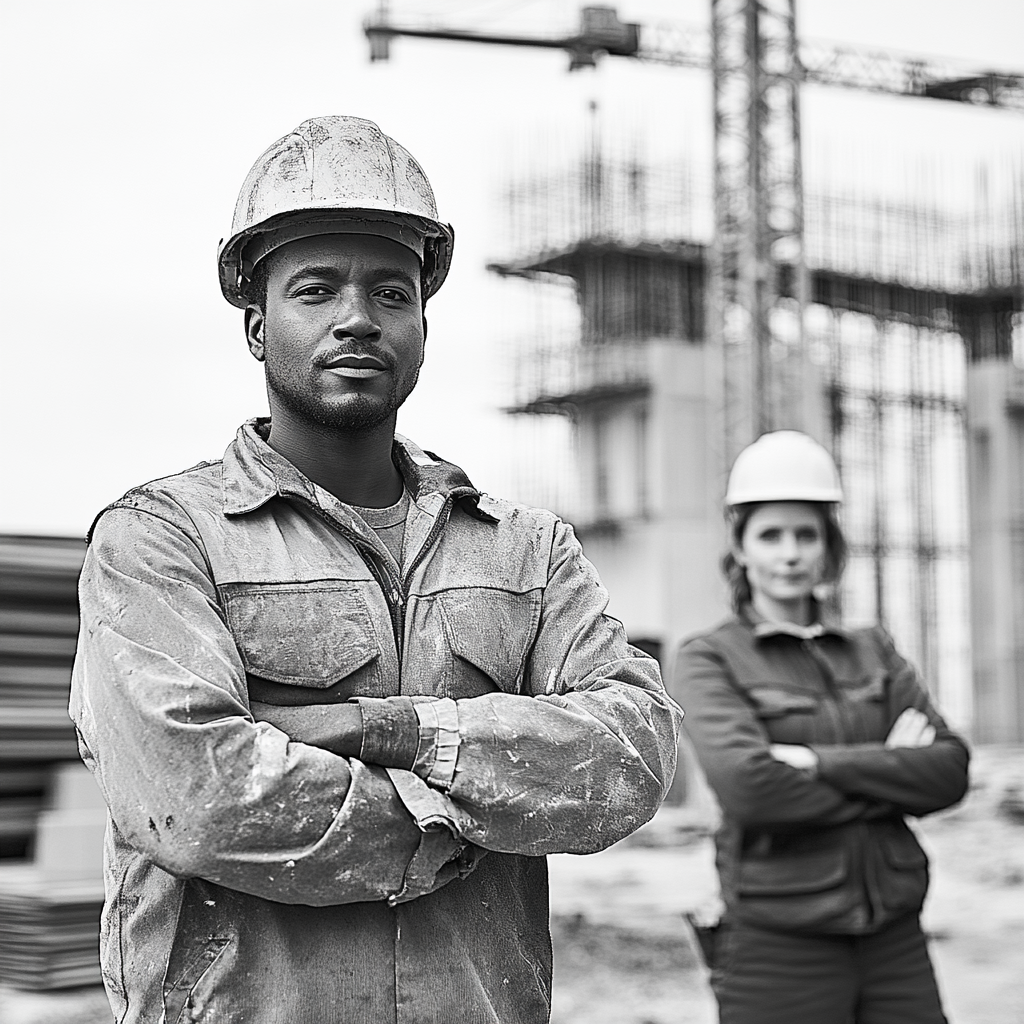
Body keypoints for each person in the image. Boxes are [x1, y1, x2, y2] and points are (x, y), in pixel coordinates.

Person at [69, 115, 682, 1024]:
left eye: (390, 292)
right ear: (255, 322)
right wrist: (464, 816)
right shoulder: (162, 540)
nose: (358, 317)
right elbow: (198, 797)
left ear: (423, 327)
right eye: (316, 289)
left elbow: (631, 755)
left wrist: (393, 731)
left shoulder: (524, 551)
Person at [676, 430, 969, 1024]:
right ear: (740, 547)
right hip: (780, 947)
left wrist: (818, 762)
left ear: (828, 546)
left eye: (806, 535)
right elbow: (751, 790)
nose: (790, 554)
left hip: (896, 938)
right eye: (770, 535)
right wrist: (888, 775)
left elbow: (950, 771)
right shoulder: (708, 657)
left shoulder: (872, 648)